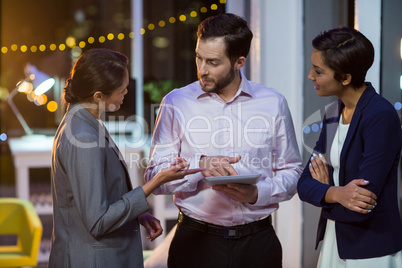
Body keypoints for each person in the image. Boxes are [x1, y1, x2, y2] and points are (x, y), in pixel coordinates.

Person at [144, 13, 302, 268]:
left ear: (239, 61)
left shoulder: (274, 103)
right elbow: (154, 178)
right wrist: (200, 164)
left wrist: (255, 193)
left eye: (213, 62)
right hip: (195, 245)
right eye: (199, 58)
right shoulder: (175, 102)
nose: (202, 70)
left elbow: (293, 170)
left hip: (258, 245)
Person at [48, 48, 203, 268]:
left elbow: (99, 196)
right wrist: (155, 182)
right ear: (98, 96)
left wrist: (138, 214)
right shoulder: (82, 135)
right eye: (121, 90)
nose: (126, 93)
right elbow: (98, 222)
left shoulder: (83, 120)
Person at [297, 27, 402, 268]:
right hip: (335, 239)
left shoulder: (380, 115)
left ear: (345, 78)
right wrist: (336, 193)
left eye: (318, 71)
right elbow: (303, 184)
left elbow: (359, 208)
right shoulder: (334, 112)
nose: (310, 76)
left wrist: (323, 191)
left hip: (370, 249)